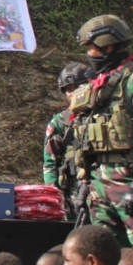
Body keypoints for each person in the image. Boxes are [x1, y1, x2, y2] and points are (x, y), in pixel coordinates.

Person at [71, 15, 133, 259]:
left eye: (91, 48)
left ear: (108, 45)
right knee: (105, 259)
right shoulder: (96, 88)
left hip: (131, 185)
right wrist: (84, 183)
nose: (89, 54)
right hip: (99, 189)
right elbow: (85, 141)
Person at [43, 62, 89, 221]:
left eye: (76, 87)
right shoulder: (60, 122)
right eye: (68, 90)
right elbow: (50, 162)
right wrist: (53, 196)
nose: (72, 94)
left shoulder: (101, 116)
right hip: (72, 192)